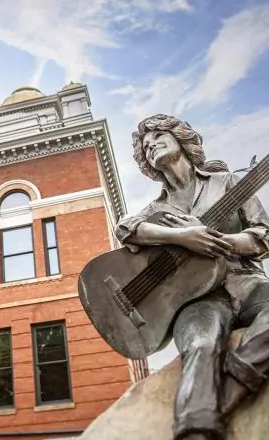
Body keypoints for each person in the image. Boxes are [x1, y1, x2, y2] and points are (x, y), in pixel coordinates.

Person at [115, 114, 269, 440]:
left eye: (158, 135)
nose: (151, 143)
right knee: (201, 341)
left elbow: (264, 235)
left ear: (181, 138)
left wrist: (223, 242)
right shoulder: (158, 208)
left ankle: (227, 391)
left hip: (245, 280)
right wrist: (182, 238)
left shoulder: (226, 183)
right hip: (197, 297)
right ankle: (195, 431)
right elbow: (126, 228)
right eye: (146, 144)